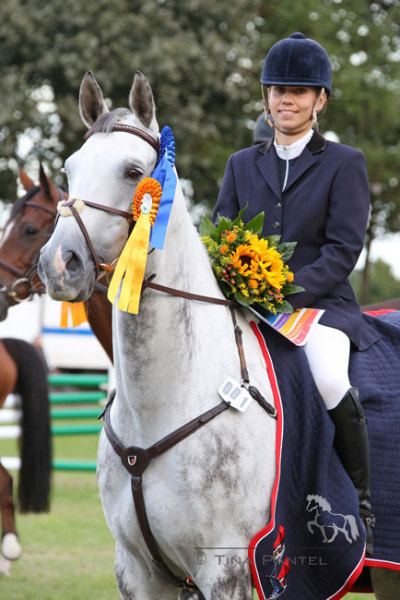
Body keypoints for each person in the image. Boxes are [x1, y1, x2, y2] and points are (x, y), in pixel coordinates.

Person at [213, 32, 377, 556]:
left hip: (322, 309)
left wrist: (283, 291)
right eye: (278, 90)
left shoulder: (344, 162)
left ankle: (361, 498)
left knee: (328, 377)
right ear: (266, 97)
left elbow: (343, 247)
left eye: (299, 91)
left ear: (320, 100)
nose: (287, 99)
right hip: (248, 309)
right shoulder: (242, 164)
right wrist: (239, 284)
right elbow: (222, 234)